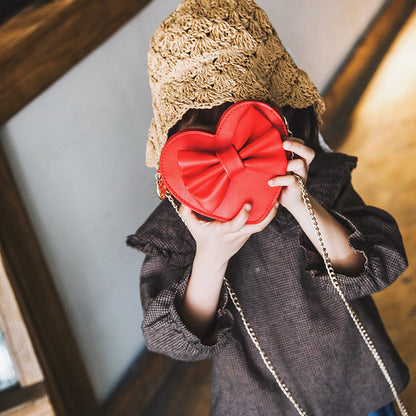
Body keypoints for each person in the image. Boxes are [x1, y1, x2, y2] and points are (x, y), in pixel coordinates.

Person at [126, 0, 409, 414]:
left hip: (358, 387)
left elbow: (382, 262)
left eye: (244, 121)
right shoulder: (175, 227)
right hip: (258, 405)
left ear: (280, 113)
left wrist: (303, 204)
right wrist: (212, 254)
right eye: (204, 124)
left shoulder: (319, 180)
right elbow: (171, 338)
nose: (232, 157)